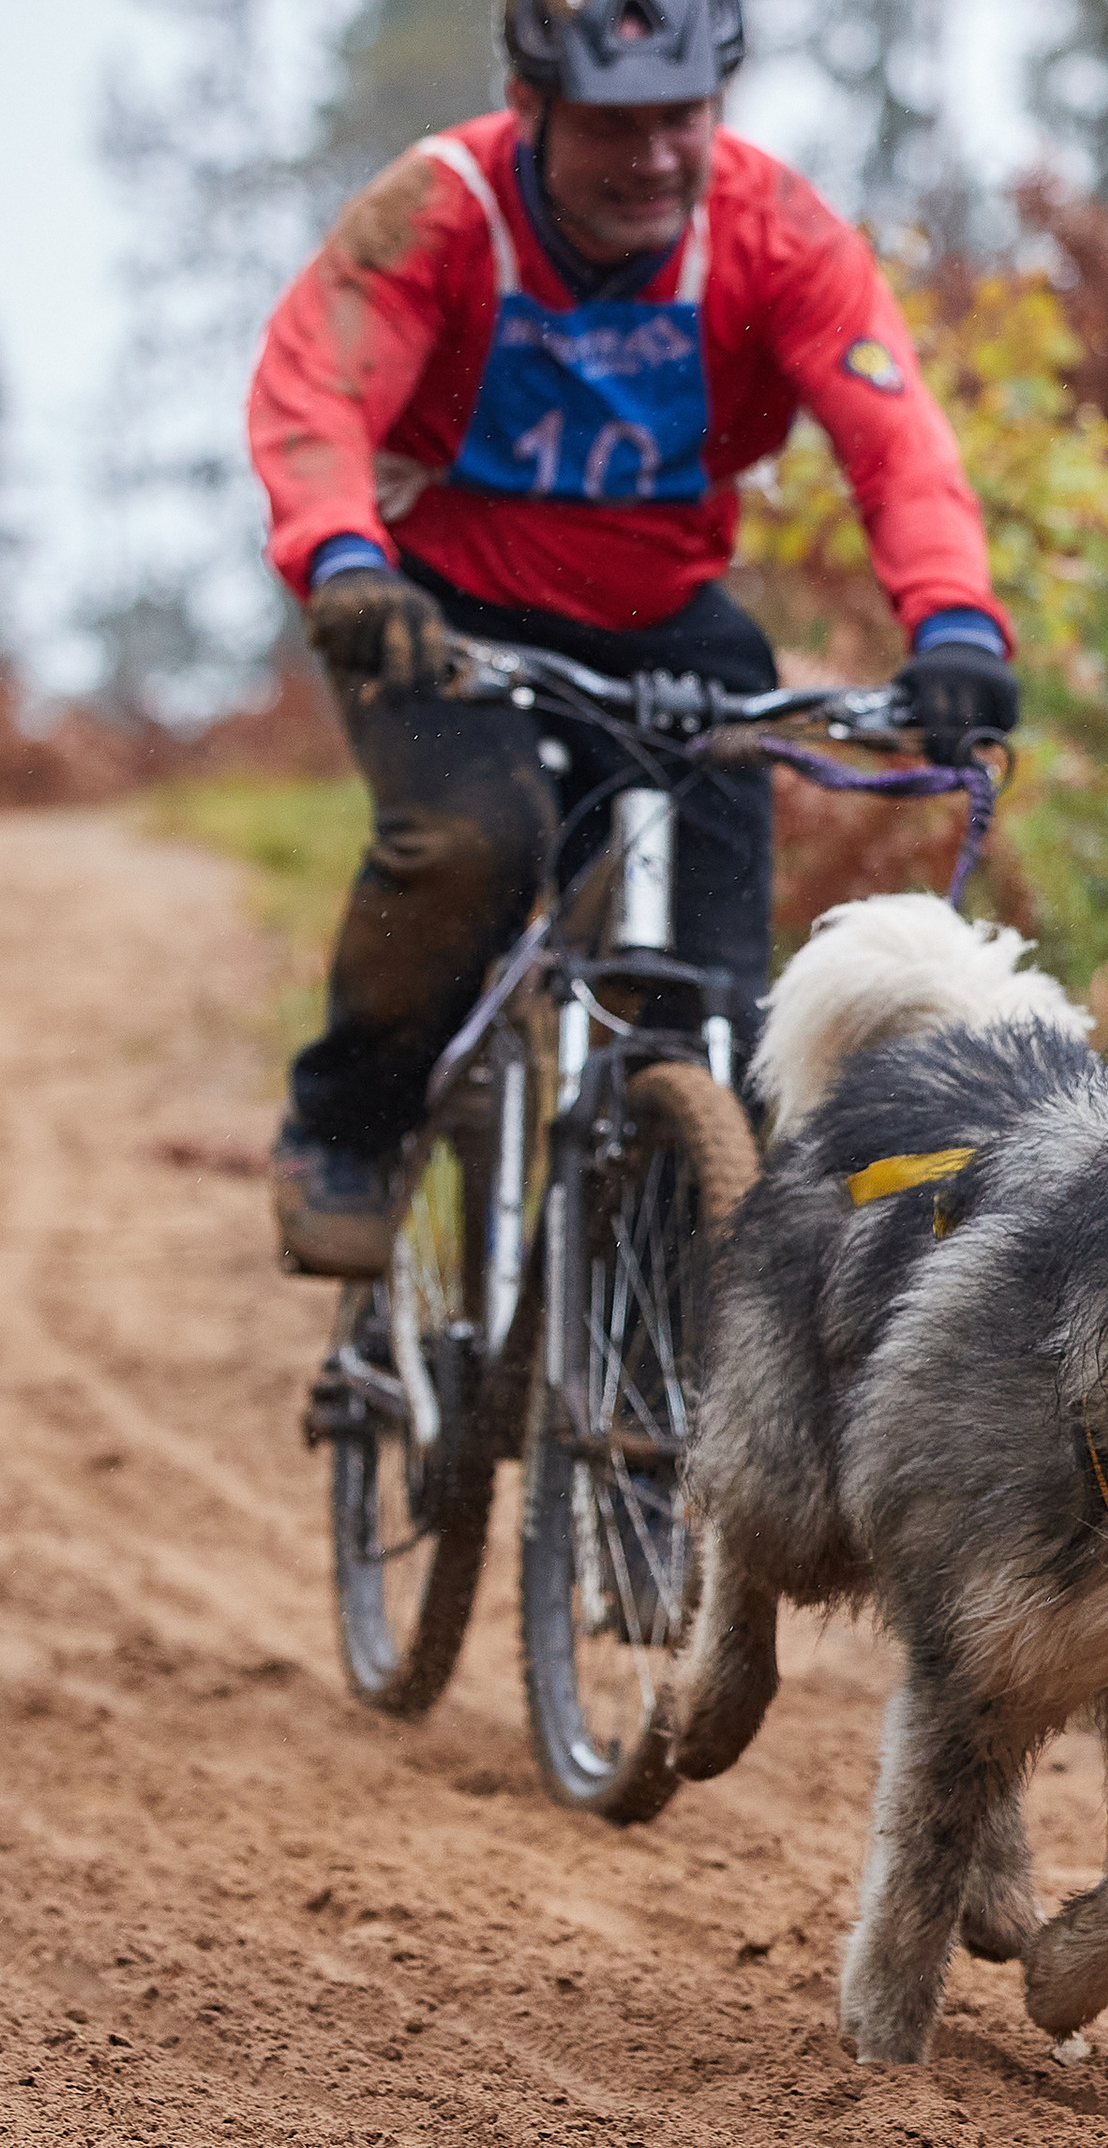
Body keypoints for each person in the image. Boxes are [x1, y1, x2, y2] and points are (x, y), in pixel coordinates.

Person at [246, 0, 1019, 1276]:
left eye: (684, 119)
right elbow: (315, 387)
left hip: (663, 614)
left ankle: (651, 1289)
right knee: (469, 844)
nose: (655, 156)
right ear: (530, 101)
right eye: (615, 124)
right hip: (439, 610)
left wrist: (951, 621)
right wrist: (342, 560)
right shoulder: (442, 210)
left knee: (713, 999)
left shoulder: (777, 234)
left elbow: (897, 441)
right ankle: (349, 1129)